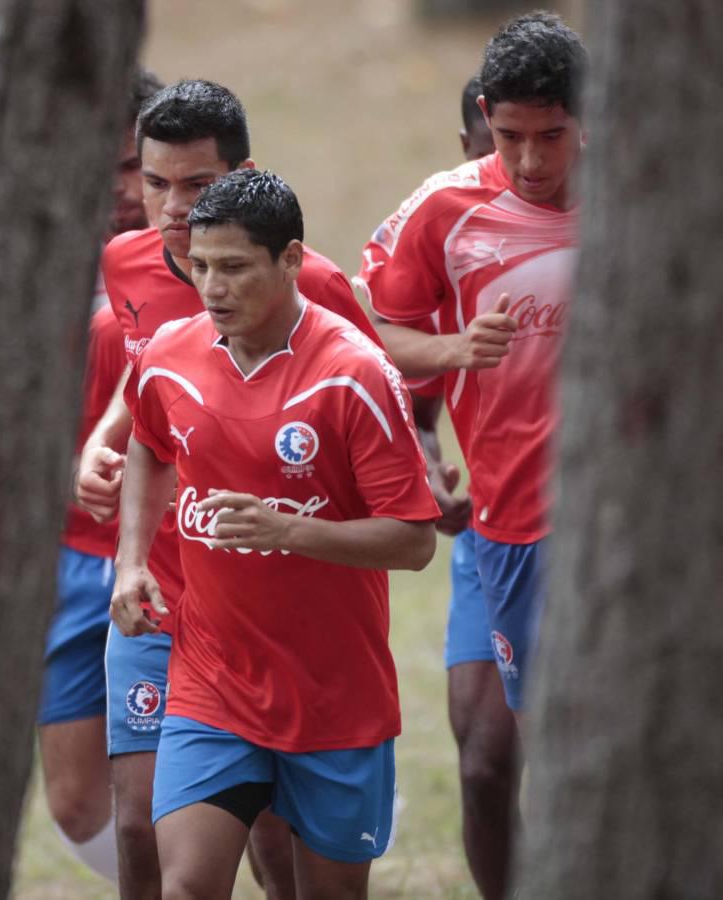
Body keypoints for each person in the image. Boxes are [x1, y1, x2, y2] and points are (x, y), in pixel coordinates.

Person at [75, 79, 383, 900]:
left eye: (198, 187)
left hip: (274, 608)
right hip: (162, 592)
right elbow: (155, 384)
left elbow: (370, 391)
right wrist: (105, 453)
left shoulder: (311, 285)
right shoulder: (123, 262)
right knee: (140, 822)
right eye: (154, 182)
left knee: (278, 840)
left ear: (241, 174)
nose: (172, 209)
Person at [112, 169, 439, 900]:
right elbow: (147, 443)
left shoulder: (355, 375)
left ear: (290, 260)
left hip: (335, 695)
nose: (212, 287)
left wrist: (289, 531)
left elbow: (414, 540)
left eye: (234, 267)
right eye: (198, 267)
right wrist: (131, 561)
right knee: (186, 886)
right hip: (212, 682)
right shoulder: (169, 354)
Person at [356, 13, 587, 899]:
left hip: (608, 526)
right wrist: (450, 361)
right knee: (489, 760)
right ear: (485, 117)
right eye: (511, 136)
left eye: (552, 137)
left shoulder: (652, 200)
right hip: (503, 524)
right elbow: (377, 328)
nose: (530, 160)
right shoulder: (446, 209)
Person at [36, 66, 163, 883]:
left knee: (163, 796)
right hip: (63, 558)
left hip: (166, 552)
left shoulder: (198, 256)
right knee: (79, 803)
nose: (122, 191)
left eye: (136, 170)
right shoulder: (25, 259)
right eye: (105, 168)